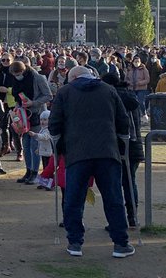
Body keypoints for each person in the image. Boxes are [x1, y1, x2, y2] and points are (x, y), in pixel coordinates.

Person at [48, 65, 134, 258]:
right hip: (107, 151)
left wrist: (59, 146)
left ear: (73, 78)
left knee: (74, 199)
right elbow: (123, 120)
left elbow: (54, 123)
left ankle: (75, 243)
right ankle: (121, 243)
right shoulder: (108, 90)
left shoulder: (65, 92)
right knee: (113, 198)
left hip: (77, 152)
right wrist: (122, 143)